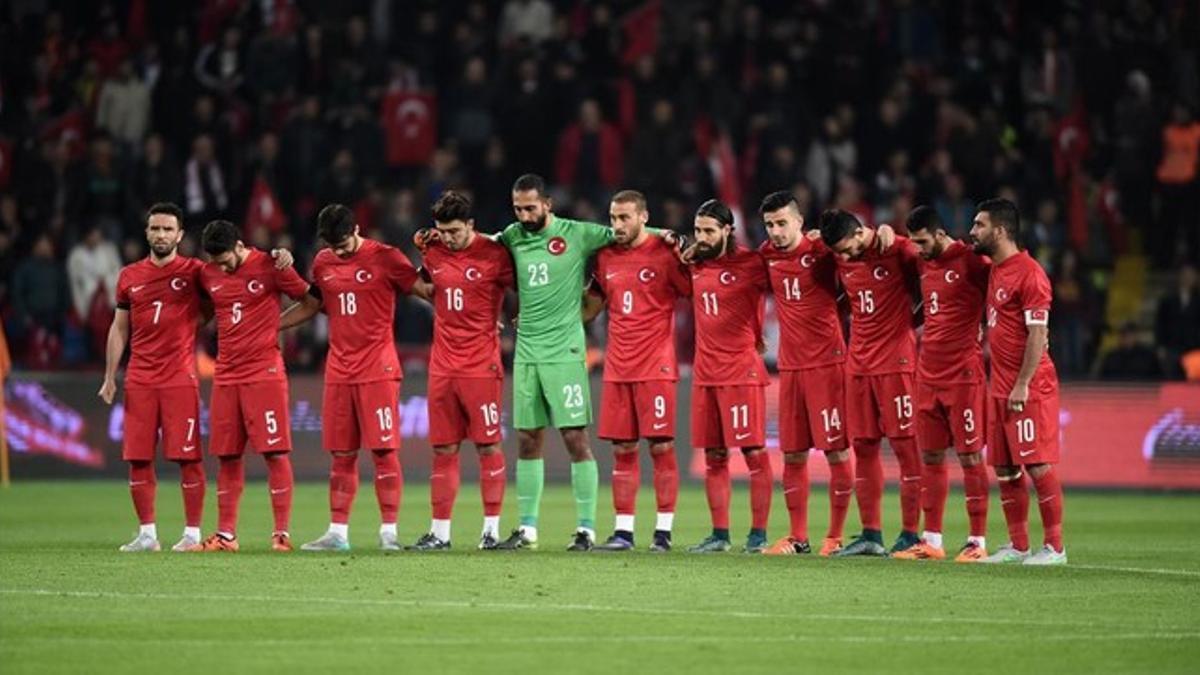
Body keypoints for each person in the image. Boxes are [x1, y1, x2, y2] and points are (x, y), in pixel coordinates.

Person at [479, 174, 619, 551]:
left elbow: (626, 231)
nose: (524, 215)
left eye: (530, 207)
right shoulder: (511, 236)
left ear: (548, 204)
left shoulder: (578, 233)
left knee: (575, 438)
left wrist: (667, 235)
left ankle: (587, 529)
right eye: (518, 208)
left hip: (565, 352)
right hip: (527, 353)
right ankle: (527, 530)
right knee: (527, 439)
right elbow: (477, 248)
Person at [279, 203, 421, 551]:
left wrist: (472, 318)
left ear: (357, 229)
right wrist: (270, 325)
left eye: (342, 245)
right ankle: (338, 533)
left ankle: (389, 532)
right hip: (339, 372)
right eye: (332, 246)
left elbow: (426, 292)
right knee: (342, 455)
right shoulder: (324, 262)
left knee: (384, 452)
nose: (338, 252)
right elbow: (312, 304)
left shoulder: (387, 257)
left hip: (378, 371)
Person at [189, 220, 312, 553]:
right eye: (215, 261)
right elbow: (201, 310)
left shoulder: (271, 266)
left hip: (264, 373)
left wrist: (276, 325)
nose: (221, 266)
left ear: (239, 245)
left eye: (225, 259)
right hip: (226, 375)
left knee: (274, 451)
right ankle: (226, 536)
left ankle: (281, 534)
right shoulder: (208, 273)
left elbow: (312, 301)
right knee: (227, 455)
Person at [583, 190, 689, 552]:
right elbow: (591, 307)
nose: (616, 225)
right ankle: (624, 532)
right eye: (613, 218)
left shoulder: (665, 252)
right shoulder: (605, 257)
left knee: (661, 446)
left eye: (624, 217)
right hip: (617, 367)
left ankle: (663, 533)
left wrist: (678, 242)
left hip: (655, 366)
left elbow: (695, 289)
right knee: (622, 448)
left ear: (644, 217)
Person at [99, 202, 207, 553]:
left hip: (179, 379)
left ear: (180, 234)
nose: (161, 235)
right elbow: (119, 329)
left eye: (167, 229)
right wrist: (110, 376)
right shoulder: (130, 276)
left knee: (188, 457)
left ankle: (192, 534)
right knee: (139, 457)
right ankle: (147, 534)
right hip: (140, 379)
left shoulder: (195, 272)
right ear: (147, 232)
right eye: (155, 228)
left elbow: (224, 292)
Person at [408, 191, 512, 551]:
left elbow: (527, 290)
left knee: (488, 446)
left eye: (454, 231)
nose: (447, 238)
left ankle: (491, 532)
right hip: (442, 367)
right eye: (442, 231)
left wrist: (504, 321)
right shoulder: (432, 248)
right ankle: (440, 533)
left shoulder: (495, 254)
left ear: (470, 225)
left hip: (480, 366)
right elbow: (425, 282)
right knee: (443, 449)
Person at [757, 192, 858, 556]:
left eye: (783, 223)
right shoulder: (766, 254)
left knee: (835, 452)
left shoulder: (823, 253)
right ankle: (798, 537)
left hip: (827, 365)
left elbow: (857, 268)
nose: (776, 231)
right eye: (770, 224)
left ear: (800, 222)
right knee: (793, 454)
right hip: (790, 368)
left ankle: (834, 537)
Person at [819, 209, 924, 556]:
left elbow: (933, 280)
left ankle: (910, 533)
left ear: (859, 231)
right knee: (863, 446)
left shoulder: (899, 250)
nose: (844, 257)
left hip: (896, 363)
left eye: (847, 249)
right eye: (838, 253)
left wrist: (909, 325)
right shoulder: (840, 256)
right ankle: (871, 535)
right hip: (859, 363)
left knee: (905, 446)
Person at [969, 198, 1067, 565]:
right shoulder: (995, 268)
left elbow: (1038, 335)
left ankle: (1055, 547)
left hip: (1029, 386)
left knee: (1037, 465)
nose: (972, 231)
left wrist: (1023, 382)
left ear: (1001, 230)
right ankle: (1018, 544)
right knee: (1006, 468)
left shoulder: (1030, 273)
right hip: (1000, 386)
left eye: (979, 225)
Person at [894, 206, 992, 562]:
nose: (918, 250)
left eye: (923, 242)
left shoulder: (972, 262)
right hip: (928, 375)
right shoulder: (922, 259)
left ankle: (977, 542)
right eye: (914, 243)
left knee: (969, 456)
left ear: (939, 234)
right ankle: (931, 540)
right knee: (931, 457)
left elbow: (1003, 295)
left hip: (963, 376)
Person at [682, 199, 773, 554]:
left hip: (741, 372)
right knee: (714, 456)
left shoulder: (752, 263)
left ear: (727, 231)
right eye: (698, 230)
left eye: (709, 231)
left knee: (753, 453)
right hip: (706, 374)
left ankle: (758, 535)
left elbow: (789, 264)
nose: (701, 237)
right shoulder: (693, 264)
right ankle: (719, 535)